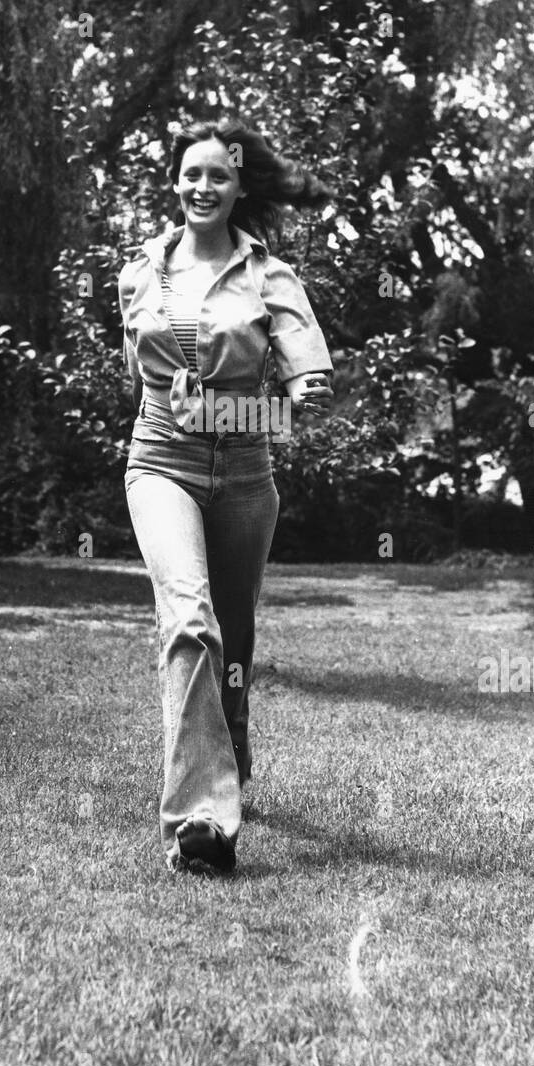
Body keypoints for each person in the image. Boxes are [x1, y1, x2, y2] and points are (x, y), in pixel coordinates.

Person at [118, 115, 335, 873]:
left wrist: (268, 400)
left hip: (245, 474)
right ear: (173, 181)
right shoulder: (139, 273)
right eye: (191, 173)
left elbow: (306, 389)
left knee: (233, 638)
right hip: (160, 464)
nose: (203, 186)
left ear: (240, 186)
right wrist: (178, 410)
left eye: (219, 174)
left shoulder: (271, 278)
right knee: (190, 618)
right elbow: (139, 381)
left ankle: (231, 740)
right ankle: (201, 822)